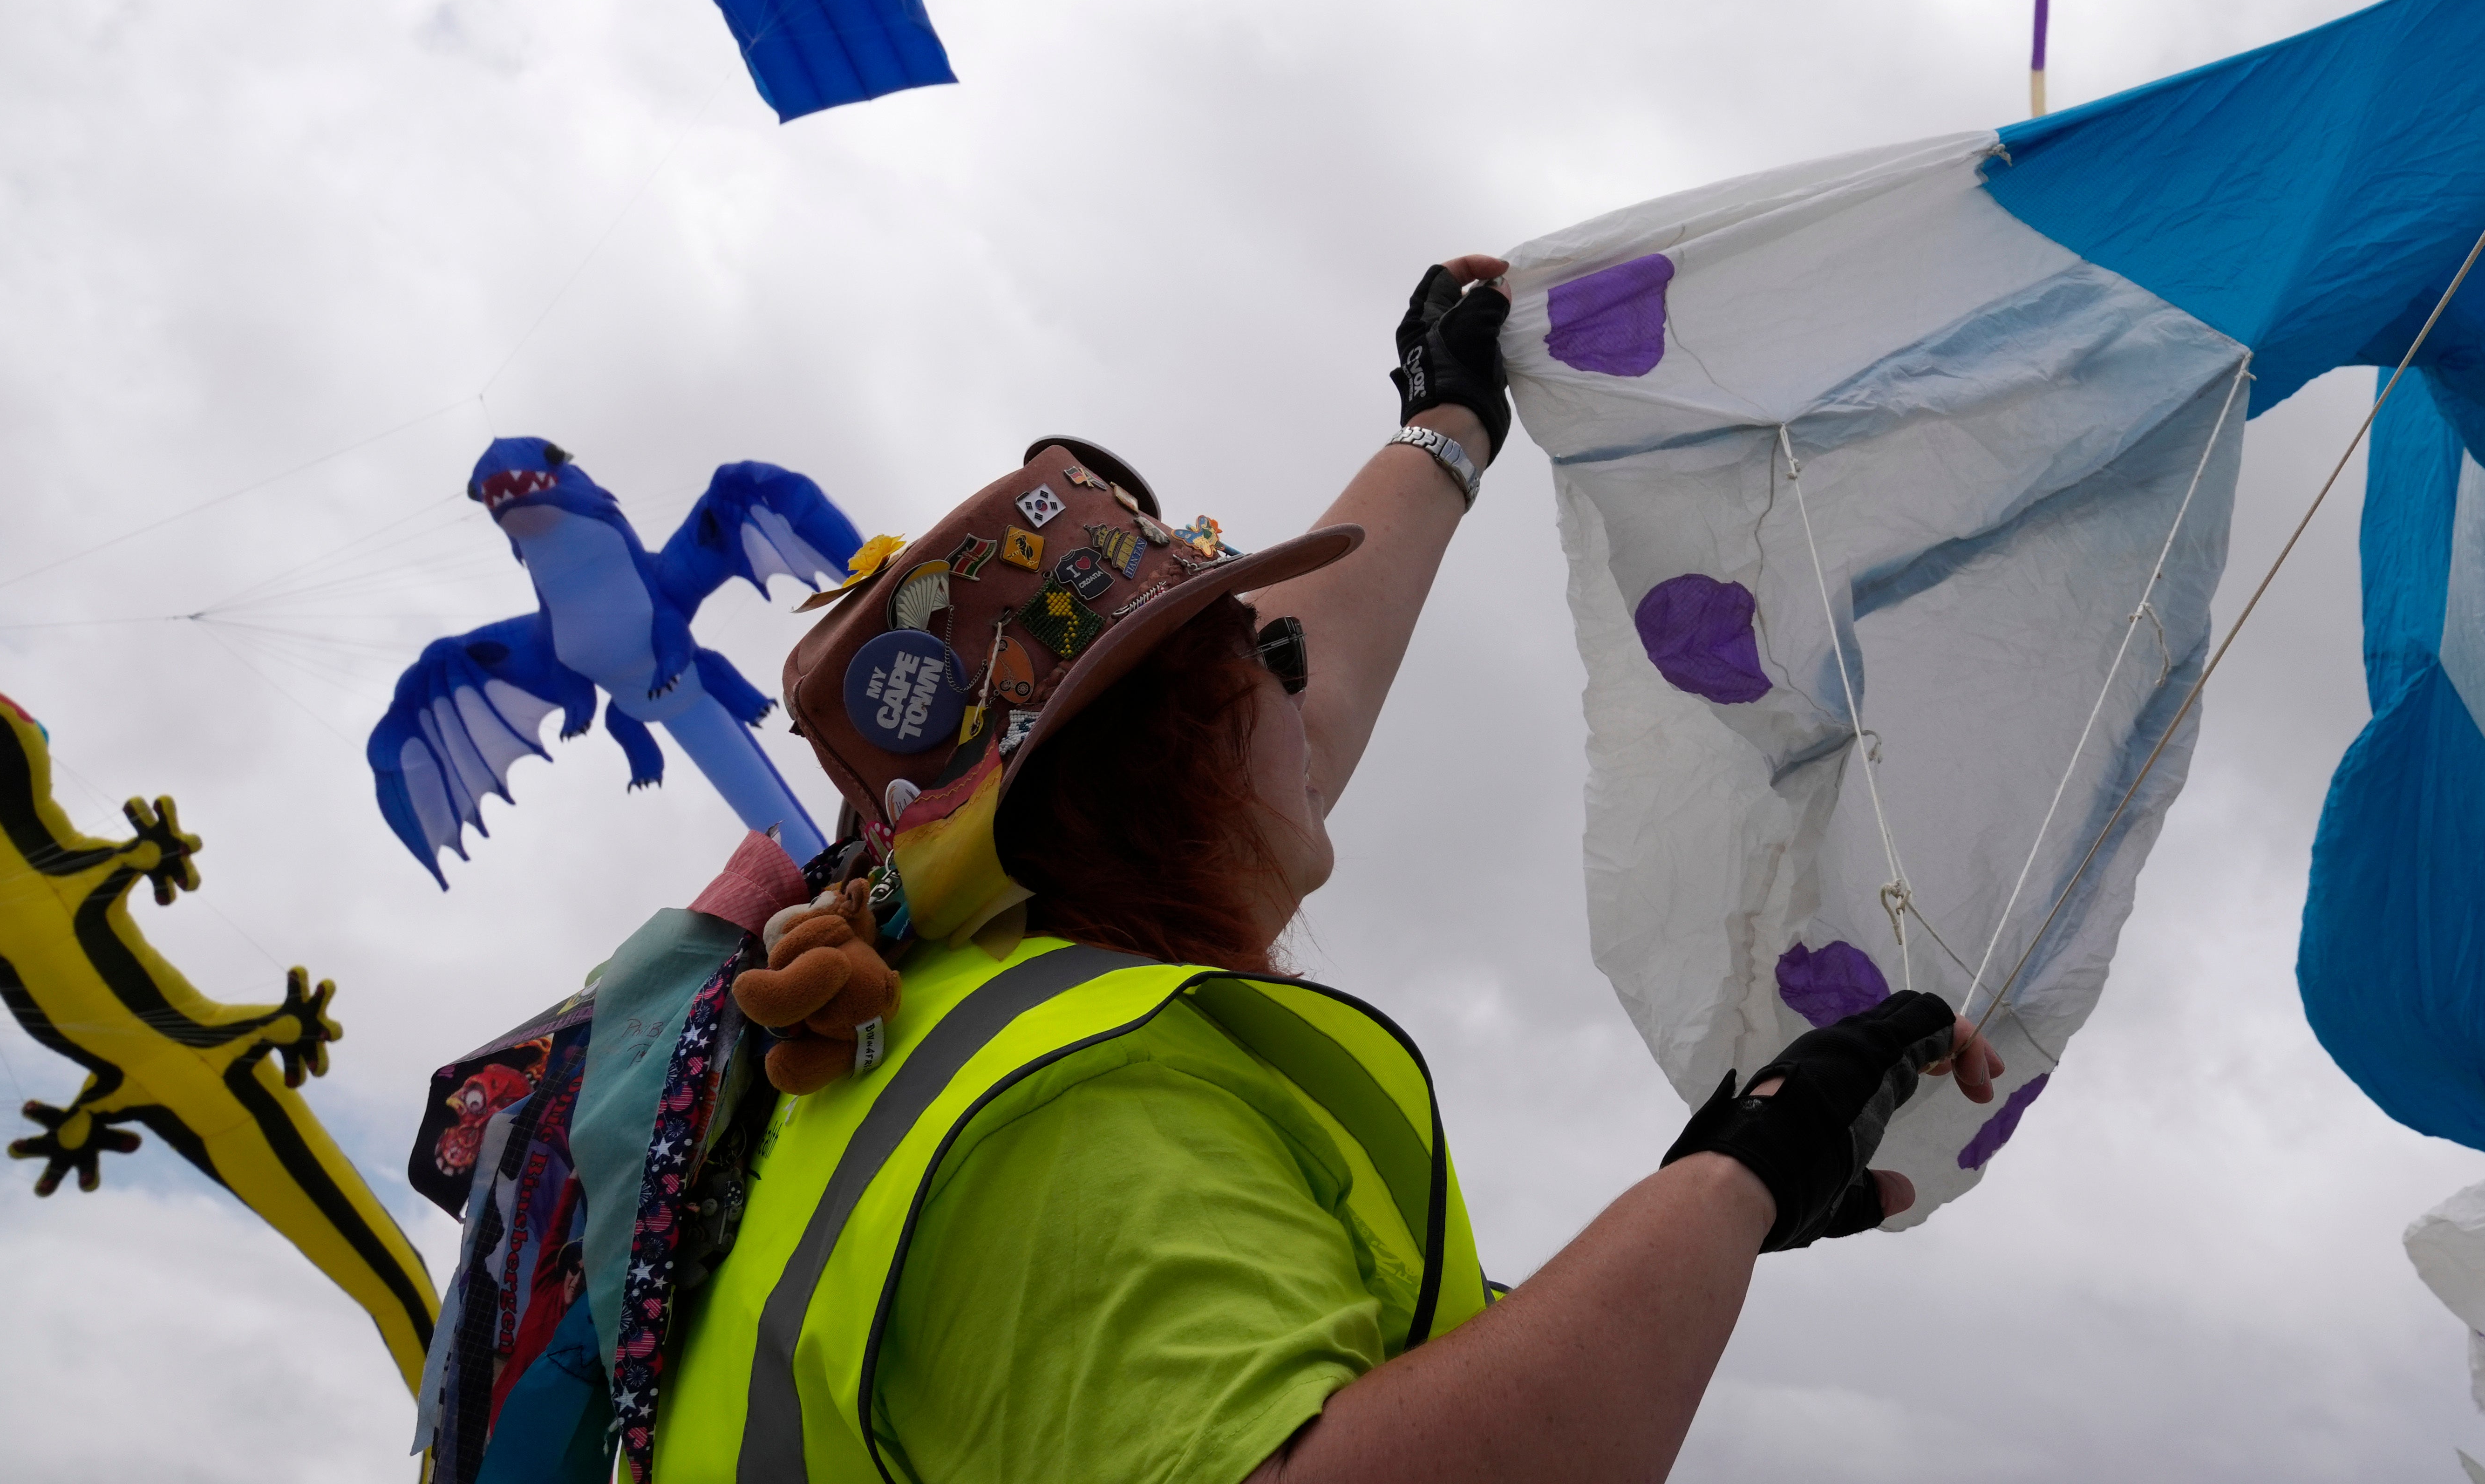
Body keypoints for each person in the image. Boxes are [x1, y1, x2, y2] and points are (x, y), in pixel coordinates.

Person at [632, 258, 2001, 1482]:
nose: (1303, 686)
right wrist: (1737, 1177)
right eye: (1258, 656)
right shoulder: (1080, 1113)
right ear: (1164, 768)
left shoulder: (939, 1021)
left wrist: (1446, 425)